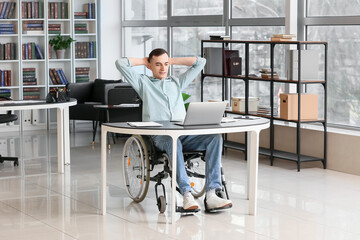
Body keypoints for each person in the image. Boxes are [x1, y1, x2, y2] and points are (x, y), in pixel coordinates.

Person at [115, 48, 232, 211]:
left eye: (165, 64)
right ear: (150, 66)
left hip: (183, 132)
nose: (163, 68)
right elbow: (120, 63)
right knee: (173, 141)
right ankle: (186, 194)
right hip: (161, 136)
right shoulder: (143, 83)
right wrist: (144, 61)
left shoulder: (177, 82)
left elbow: (201, 62)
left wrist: (173, 60)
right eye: (158, 64)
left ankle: (212, 194)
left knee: (215, 137)